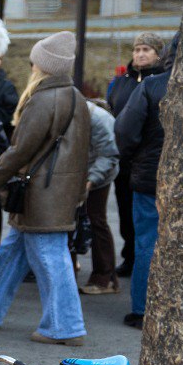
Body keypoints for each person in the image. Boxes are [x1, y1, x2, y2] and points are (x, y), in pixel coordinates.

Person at [0, 32, 90, 346]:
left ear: (44, 65)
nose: (31, 65)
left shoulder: (44, 99)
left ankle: (65, 326)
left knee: (50, 257)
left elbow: (19, 151)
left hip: (41, 193)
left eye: (35, 61)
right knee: (14, 250)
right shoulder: (76, 98)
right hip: (56, 192)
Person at [114, 33, 174, 330]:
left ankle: (141, 309)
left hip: (151, 177)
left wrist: (131, 157)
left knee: (147, 243)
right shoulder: (144, 83)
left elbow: (125, 130)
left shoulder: (152, 85)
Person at [107, 31, 164, 278]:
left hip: (149, 161)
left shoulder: (160, 82)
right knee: (124, 210)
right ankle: (129, 256)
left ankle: (146, 262)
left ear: (158, 54)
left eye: (146, 50)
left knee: (147, 216)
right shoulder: (121, 82)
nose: (140, 54)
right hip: (123, 159)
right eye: (137, 49)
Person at [77, 100, 120, 296]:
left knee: (97, 220)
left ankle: (105, 278)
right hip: (78, 171)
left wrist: (90, 181)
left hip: (99, 174)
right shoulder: (67, 110)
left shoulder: (100, 120)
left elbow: (109, 156)